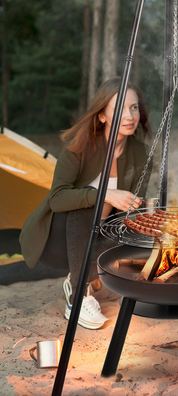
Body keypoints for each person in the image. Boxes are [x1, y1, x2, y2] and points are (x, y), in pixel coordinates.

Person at [20, 78, 151, 330]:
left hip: (103, 238)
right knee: (86, 202)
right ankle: (78, 298)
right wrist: (105, 195)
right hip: (59, 241)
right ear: (101, 116)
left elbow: (131, 211)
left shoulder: (140, 153)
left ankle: (89, 276)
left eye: (134, 107)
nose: (130, 115)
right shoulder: (78, 148)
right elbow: (57, 198)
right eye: (120, 108)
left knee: (143, 224)